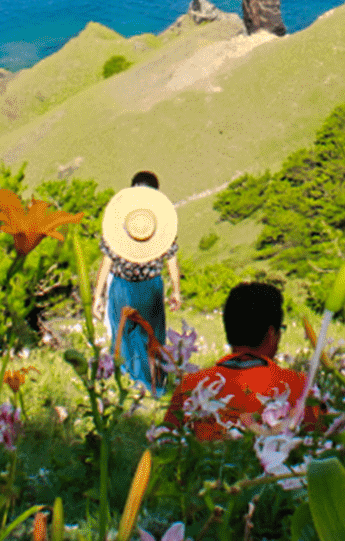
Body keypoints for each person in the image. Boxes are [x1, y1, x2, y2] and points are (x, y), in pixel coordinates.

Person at [165, 282, 320, 441]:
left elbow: (165, 445)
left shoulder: (189, 385)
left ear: (228, 329)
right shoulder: (301, 386)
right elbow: (320, 447)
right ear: (272, 333)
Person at [93, 172, 183, 393]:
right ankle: (154, 386)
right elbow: (171, 261)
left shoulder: (118, 224)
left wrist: (98, 295)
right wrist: (176, 290)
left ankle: (131, 384)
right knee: (152, 336)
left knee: (123, 335)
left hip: (121, 286)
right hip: (150, 286)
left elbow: (106, 263)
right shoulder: (161, 226)